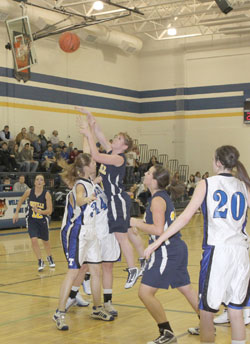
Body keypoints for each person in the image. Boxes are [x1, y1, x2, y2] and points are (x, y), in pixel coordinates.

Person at [144, 145, 250, 344]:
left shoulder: (207, 183)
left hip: (218, 252)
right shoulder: (244, 185)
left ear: (218, 162)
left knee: (207, 312)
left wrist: (156, 242)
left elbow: (184, 218)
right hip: (241, 253)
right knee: (236, 311)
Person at [130, 165, 199, 344]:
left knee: (145, 293)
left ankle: (166, 332)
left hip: (167, 251)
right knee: (186, 288)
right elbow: (155, 226)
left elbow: (159, 230)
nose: (144, 174)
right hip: (176, 247)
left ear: (154, 180)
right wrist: (140, 227)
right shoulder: (157, 197)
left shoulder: (157, 200)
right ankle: (207, 323)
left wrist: (136, 222)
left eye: (147, 173)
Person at [77, 106, 139, 289]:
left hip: (117, 199)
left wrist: (88, 134)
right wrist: (90, 118)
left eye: (119, 139)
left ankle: (133, 268)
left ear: (124, 146)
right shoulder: (112, 150)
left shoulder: (119, 158)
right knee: (124, 233)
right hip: (112, 199)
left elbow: (94, 155)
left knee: (122, 236)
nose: (115, 139)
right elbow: (100, 132)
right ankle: (136, 263)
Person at [53, 154, 114, 331]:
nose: (95, 163)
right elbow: (80, 198)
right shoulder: (80, 184)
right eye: (92, 162)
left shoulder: (90, 182)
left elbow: (91, 184)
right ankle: (59, 312)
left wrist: (97, 180)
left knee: (96, 270)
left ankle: (97, 308)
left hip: (91, 231)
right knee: (73, 272)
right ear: (84, 168)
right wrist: (85, 200)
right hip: (76, 232)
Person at [13, 174, 55, 271]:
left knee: (46, 242)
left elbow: (50, 211)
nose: (39, 181)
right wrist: (16, 213)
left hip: (42, 220)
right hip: (31, 220)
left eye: (41, 180)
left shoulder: (46, 194)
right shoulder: (29, 192)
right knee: (34, 240)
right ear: (35, 182)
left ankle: (49, 257)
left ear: (44, 183)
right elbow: (20, 201)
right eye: (37, 179)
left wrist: (40, 211)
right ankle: (40, 261)